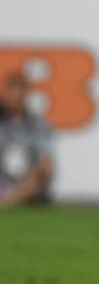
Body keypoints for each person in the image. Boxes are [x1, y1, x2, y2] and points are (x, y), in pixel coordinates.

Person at [0, 72, 55, 208]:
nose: (14, 98)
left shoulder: (38, 125)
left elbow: (46, 163)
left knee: (36, 181)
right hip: (2, 179)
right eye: (11, 92)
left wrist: (32, 176)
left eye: (19, 93)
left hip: (26, 181)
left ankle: (7, 202)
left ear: (26, 95)